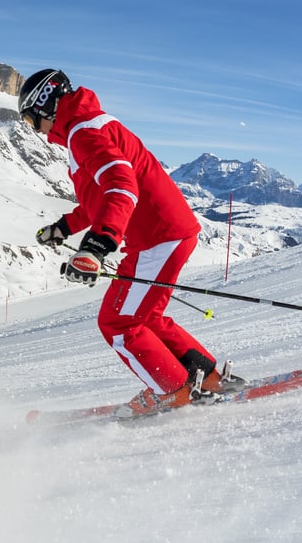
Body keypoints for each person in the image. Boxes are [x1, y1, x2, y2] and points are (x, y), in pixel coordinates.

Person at [19, 68, 243, 418]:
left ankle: (172, 390)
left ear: (44, 105)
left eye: (32, 122)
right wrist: (65, 227)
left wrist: (98, 245)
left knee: (117, 322)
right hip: (166, 231)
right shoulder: (87, 125)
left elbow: (122, 187)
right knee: (145, 317)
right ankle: (206, 380)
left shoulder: (83, 132)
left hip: (157, 237)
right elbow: (100, 199)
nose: (35, 131)